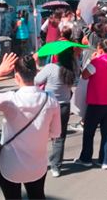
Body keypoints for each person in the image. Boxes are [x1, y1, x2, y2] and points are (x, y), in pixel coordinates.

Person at [0, 54, 61, 200]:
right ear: (36, 73)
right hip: (37, 165)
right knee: (37, 196)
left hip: (9, 165)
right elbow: (55, 132)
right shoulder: (50, 98)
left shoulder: (9, 99)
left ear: (17, 76)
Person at [77, 40, 107, 170]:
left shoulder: (95, 63)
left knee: (89, 131)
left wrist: (92, 59)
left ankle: (86, 158)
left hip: (96, 102)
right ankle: (105, 160)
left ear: (100, 49)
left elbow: (84, 76)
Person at [34, 47, 76, 178]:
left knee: (40, 134)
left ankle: (37, 163)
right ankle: (56, 166)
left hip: (48, 105)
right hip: (64, 106)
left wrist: (36, 64)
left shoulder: (50, 67)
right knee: (59, 137)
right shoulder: (72, 69)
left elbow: (37, 81)